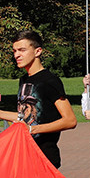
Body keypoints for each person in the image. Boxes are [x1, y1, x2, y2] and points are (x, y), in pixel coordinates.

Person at [0, 30, 76, 168]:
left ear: (38, 51)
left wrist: (32, 129)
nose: (17, 55)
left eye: (22, 50)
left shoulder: (50, 80)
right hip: (24, 157)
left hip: (45, 160)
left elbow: (70, 120)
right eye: (15, 51)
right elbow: (25, 117)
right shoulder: (24, 80)